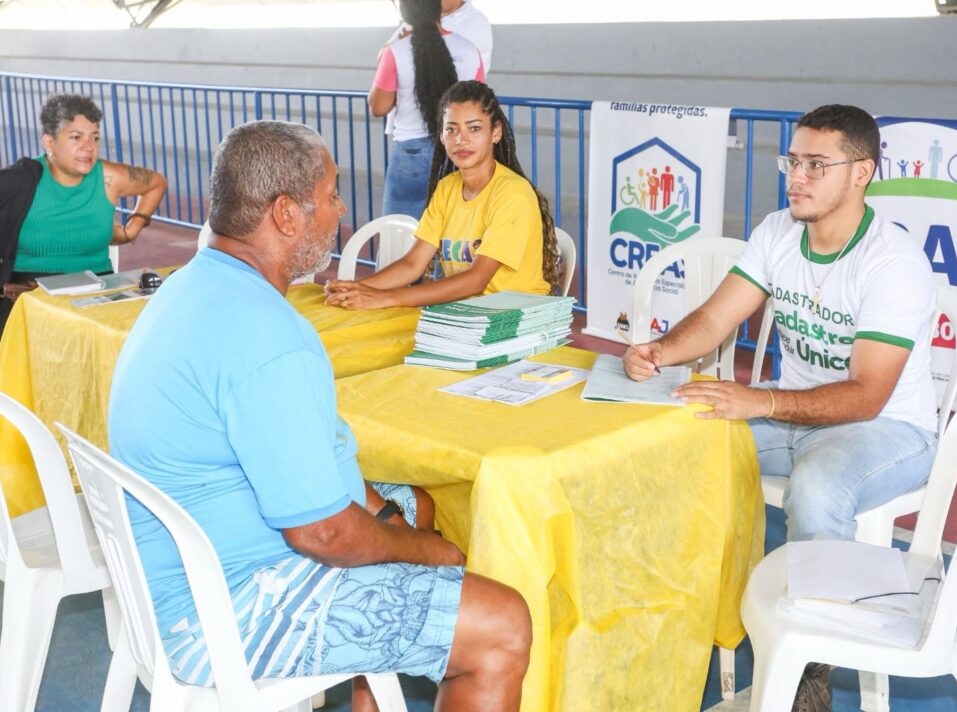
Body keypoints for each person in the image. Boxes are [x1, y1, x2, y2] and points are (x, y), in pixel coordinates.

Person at [108, 120, 531, 712]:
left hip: (184, 567)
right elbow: (322, 533)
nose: (339, 211)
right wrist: (431, 553)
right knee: (502, 624)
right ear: (286, 214)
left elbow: (308, 455)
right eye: (331, 195)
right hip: (228, 610)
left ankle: (370, 693)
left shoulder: (191, 286)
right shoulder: (271, 336)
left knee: (418, 505)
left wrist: (392, 518)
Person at [622, 105, 937, 712]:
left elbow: (868, 394)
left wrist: (760, 400)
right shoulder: (776, 233)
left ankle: (808, 676)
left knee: (817, 488)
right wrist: (658, 351)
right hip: (793, 415)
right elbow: (716, 319)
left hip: (887, 429)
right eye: (793, 161)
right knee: (673, 430)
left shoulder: (891, 261)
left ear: (861, 172)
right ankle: (672, 617)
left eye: (817, 164)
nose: (797, 176)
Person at [325, 80, 561, 309]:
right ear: (441, 135)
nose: (461, 140)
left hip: (514, 319)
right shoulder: (447, 187)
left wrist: (385, 298)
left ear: (496, 132)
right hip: (464, 317)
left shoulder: (512, 193)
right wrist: (353, 288)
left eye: (474, 128)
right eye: (451, 129)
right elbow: (412, 264)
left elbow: (476, 279)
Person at [0, 93, 166, 334]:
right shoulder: (21, 180)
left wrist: (132, 229)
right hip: (32, 296)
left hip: (98, 296)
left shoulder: (109, 177)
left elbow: (156, 183)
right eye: (76, 137)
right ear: (49, 142)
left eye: (95, 137)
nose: (88, 147)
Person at [373, 0, 485, 219]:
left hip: (411, 152)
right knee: (450, 229)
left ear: (405, 12)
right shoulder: (469, 49)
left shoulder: (396, 51)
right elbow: (479, 104)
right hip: (458, 150)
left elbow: (378, 106)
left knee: (398, 234)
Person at [389, 0, 493, 74]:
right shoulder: (422, 17)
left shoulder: (474, 22)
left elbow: (453, 70)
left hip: (453, 100)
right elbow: (386, 56)